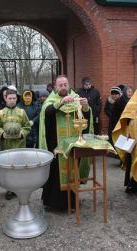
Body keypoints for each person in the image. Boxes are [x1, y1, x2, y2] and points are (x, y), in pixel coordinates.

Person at [39, 75, 92, 210]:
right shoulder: (52, 99)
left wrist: (85, 106)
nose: (63, 87)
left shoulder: (76, 97)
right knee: (55, 174)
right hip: (56, 143)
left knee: (73, 171)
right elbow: (48, 113)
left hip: (74, 143)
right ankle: (53, 203)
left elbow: (85, 117)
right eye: (60, 85)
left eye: (65, 84)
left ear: (69, 85)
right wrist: (61, 102)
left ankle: (72, 202)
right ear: (56, 87)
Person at [0, 89, 31, 200]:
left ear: (17, 99)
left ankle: (19, 188)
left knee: (19, 167)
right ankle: (9, 189)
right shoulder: (0, 113)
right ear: (5, 98)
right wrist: (2, 134)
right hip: (6, 145)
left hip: (19, 145)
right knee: (8, 168)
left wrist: (22, 134)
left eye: (14, 98)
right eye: (10, 98)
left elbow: (27, 126)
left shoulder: (21, 112)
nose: (12, 100)